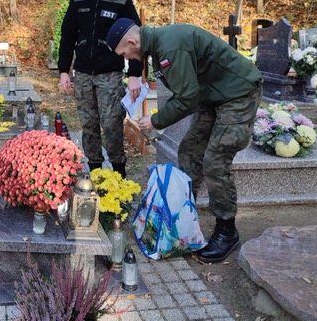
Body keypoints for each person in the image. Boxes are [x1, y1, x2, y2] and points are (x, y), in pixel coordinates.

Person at [106, 18, 262, 263]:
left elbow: (187, 98)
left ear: (133, 42)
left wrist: (156, 120)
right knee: (190, 151)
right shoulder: (158, 47)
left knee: (215, 160)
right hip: (211, 96)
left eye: (124, 53)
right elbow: (187, 91)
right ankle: (183, 215)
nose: (127, 58)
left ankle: (227, 230)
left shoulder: (169, 47)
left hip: (238, 94)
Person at [57, 0, 143, 177]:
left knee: (112, 123)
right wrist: (64, 71)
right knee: (88, 124)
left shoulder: (122, 0)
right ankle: (95, 172)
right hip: (83, 73)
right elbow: (67, 36)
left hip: (110, 73)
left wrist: (134, 74)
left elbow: (137, 38)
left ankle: (119, 174)